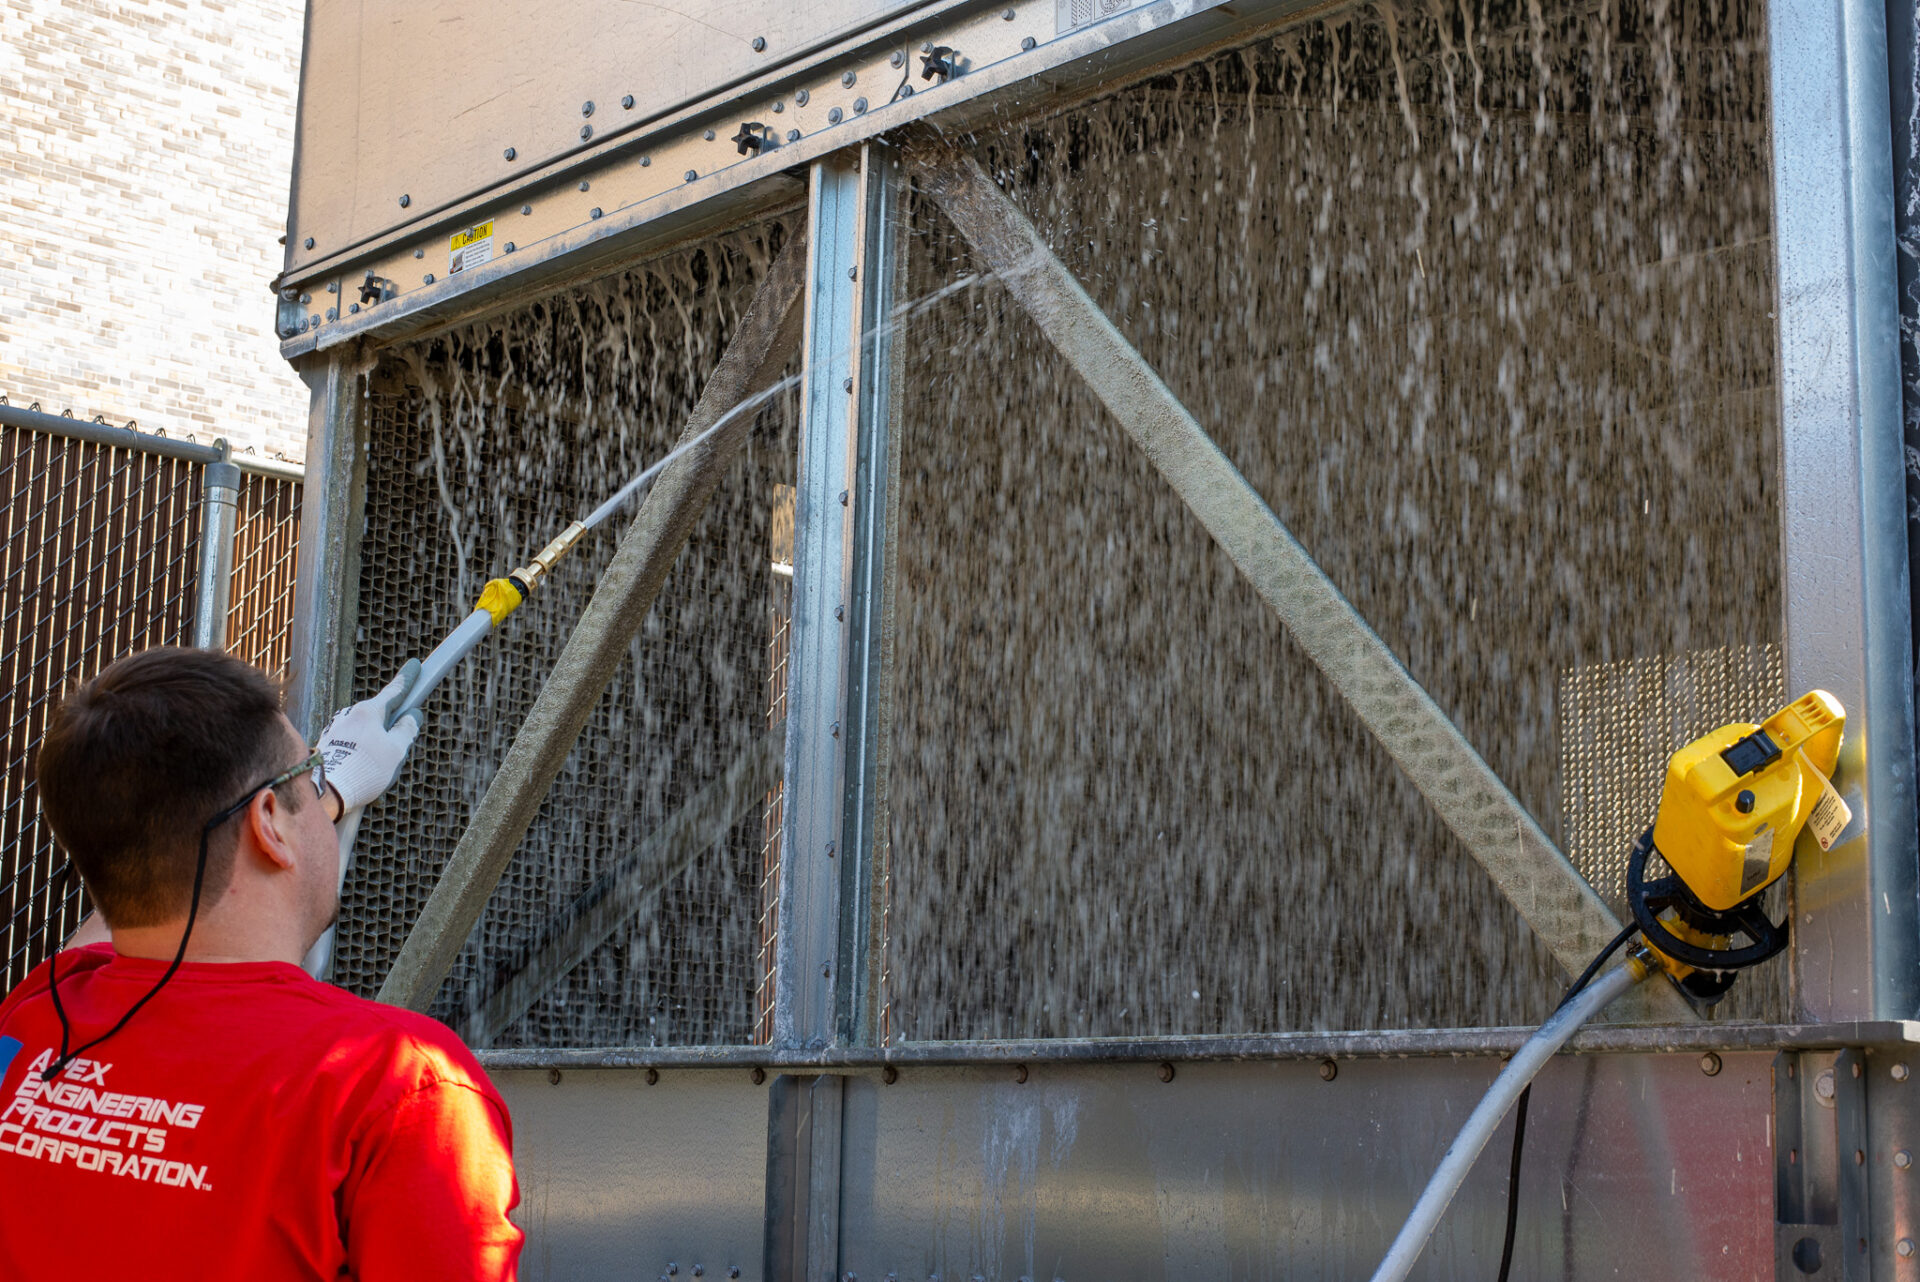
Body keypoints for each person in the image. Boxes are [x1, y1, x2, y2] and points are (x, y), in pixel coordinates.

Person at [0, 647, 522, 1280]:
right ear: (269, 821)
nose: (319, 783)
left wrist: (313, 791)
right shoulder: (400, 1086)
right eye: (307, 772)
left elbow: (127, 893)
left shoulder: (35, 1019)